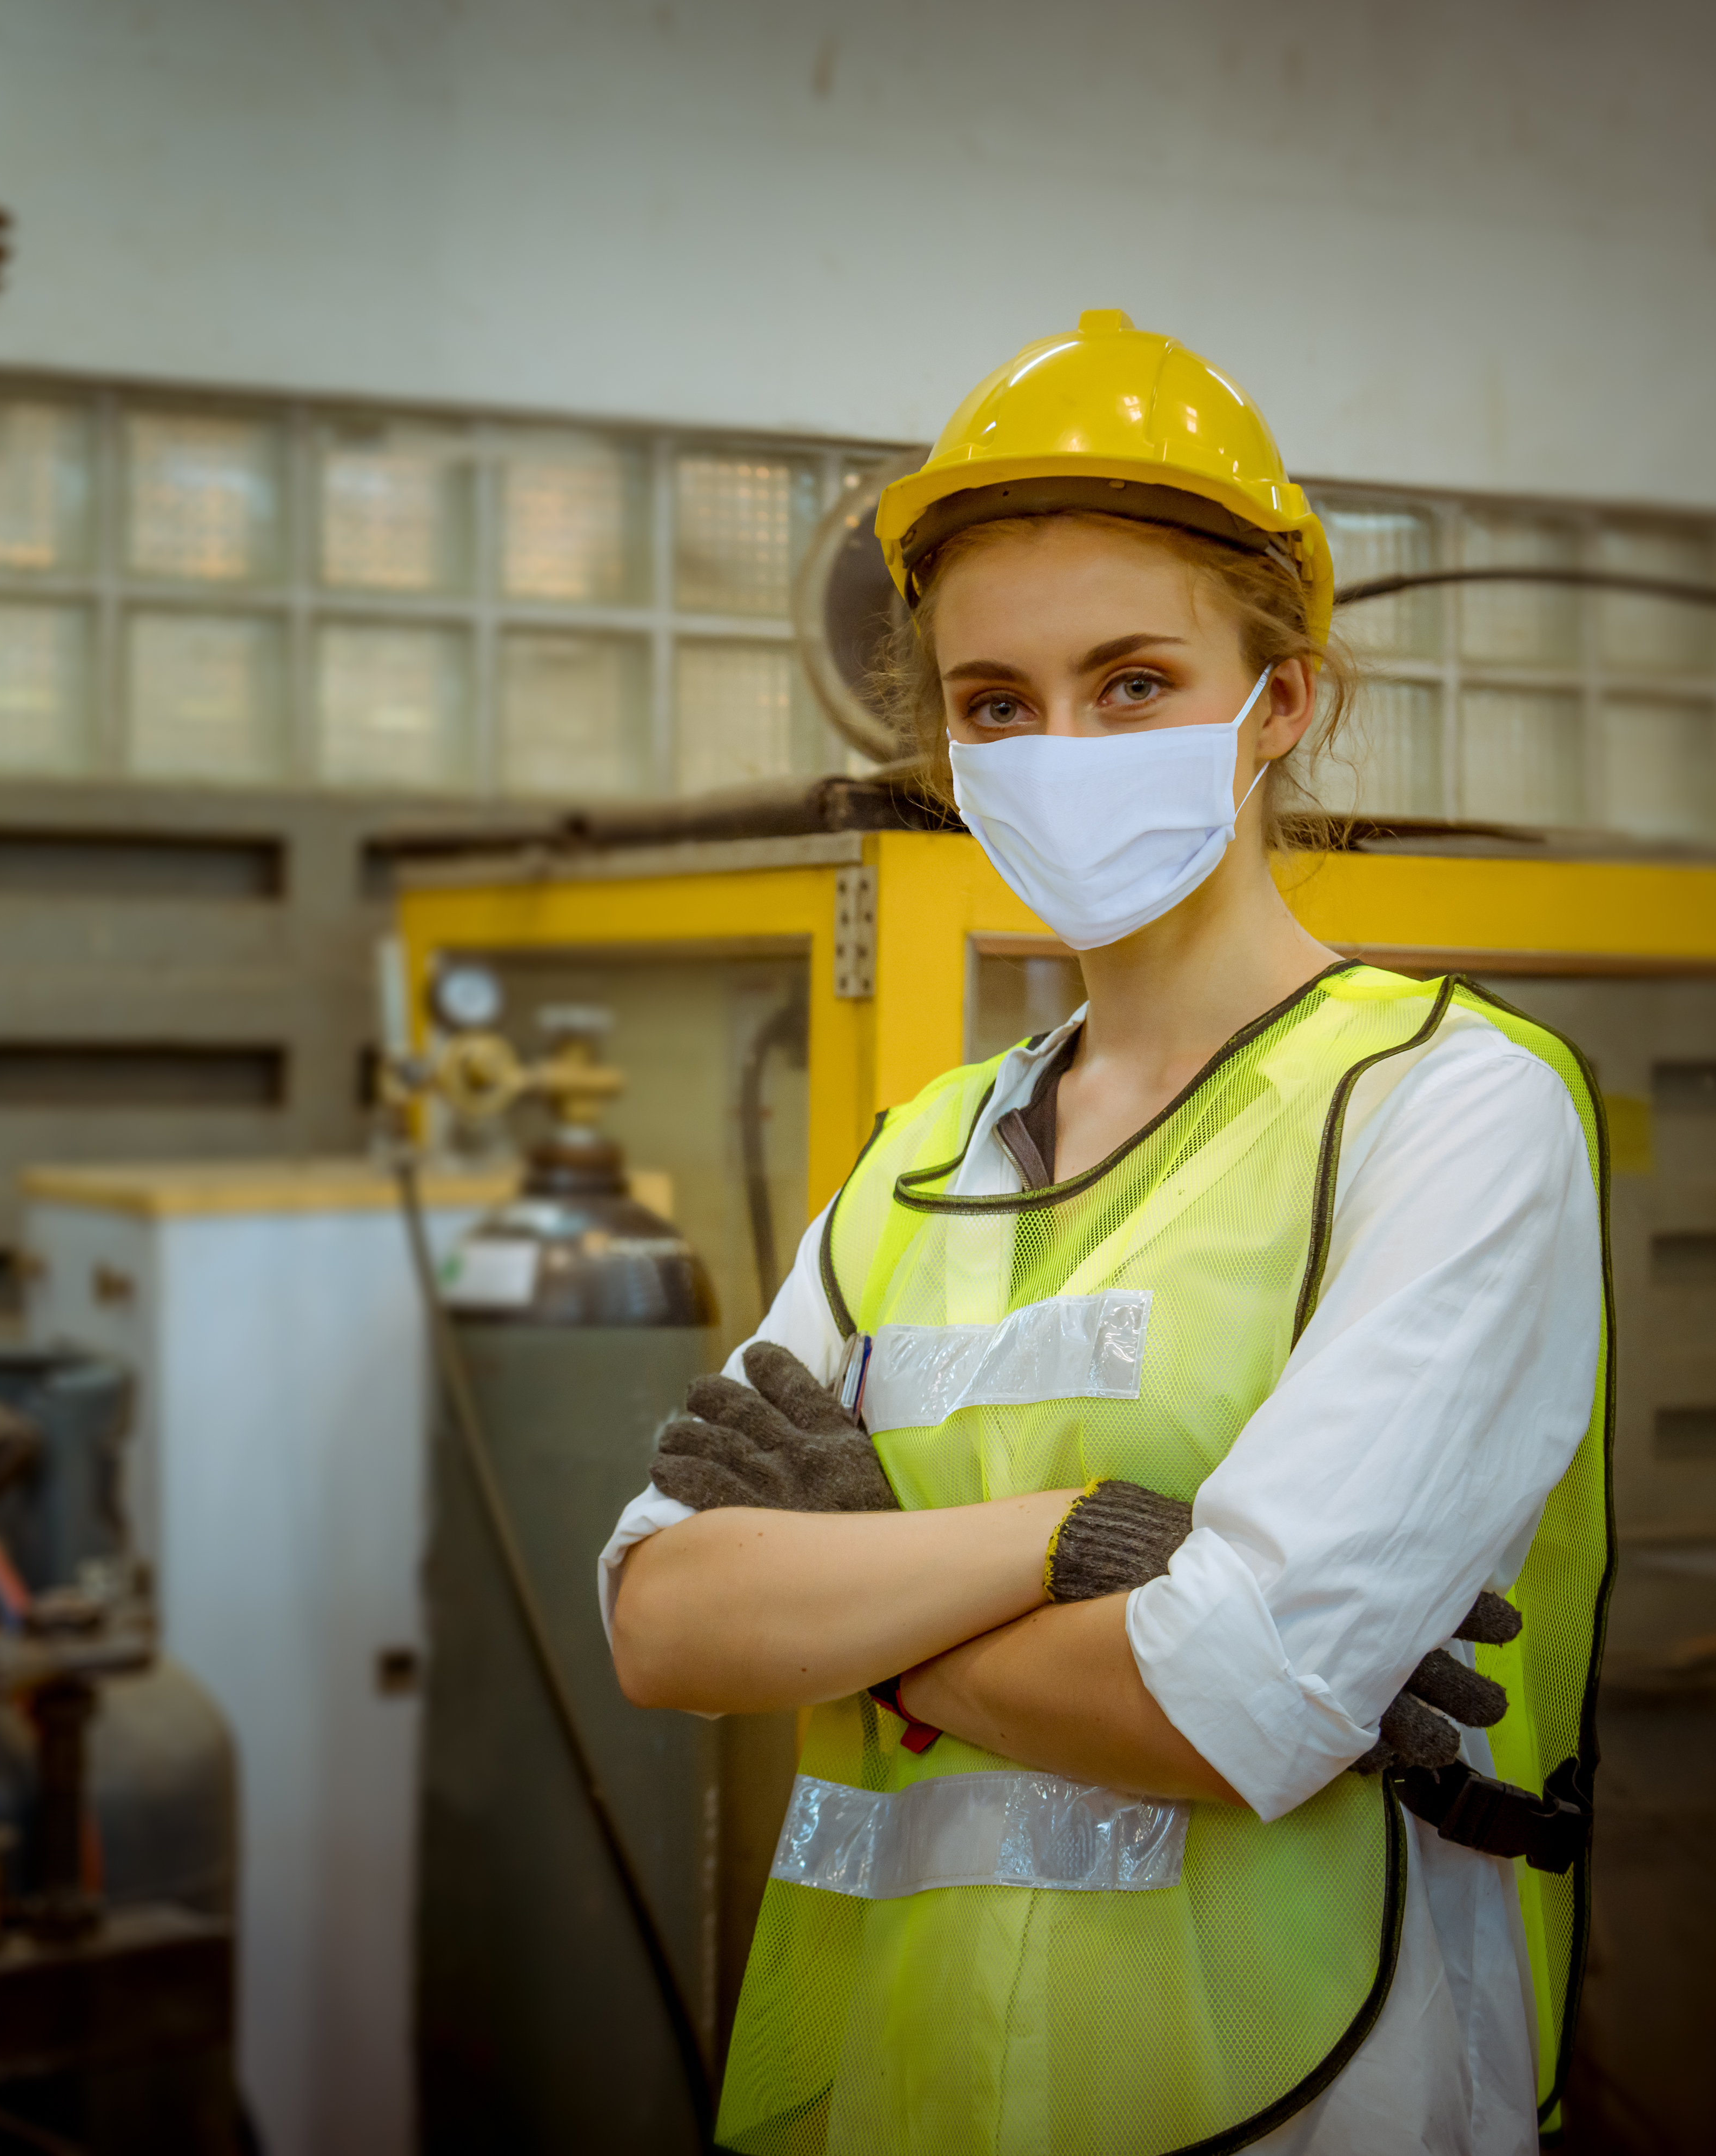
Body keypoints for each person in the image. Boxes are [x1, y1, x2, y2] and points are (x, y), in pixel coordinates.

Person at [598, 312, 1612, 2156]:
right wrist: (1068, 1542)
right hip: (912, 2106)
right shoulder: (918, 1159)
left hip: (1315, 2100)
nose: (1058, 744)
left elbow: (1235, 1700)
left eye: (1134, 681)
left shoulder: (1448, 1104)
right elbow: (663, 1612)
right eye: (996, 702)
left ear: (1279, 698)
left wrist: (866, 1592)